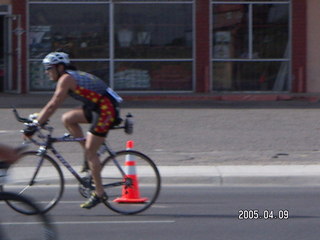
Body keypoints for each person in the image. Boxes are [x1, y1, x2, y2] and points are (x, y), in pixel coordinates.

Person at [24, 52, 119, 209]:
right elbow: (52, 106)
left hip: (106, 110)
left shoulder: (66, 79)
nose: (46, 72)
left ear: (60, 67)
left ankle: (99, 193)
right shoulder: (69, 76)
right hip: (97, 107)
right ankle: (91, 154)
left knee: (91, 153)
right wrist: (38, 118)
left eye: (49, 68)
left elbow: (54, 103)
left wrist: (36, 125)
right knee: (67, 118)